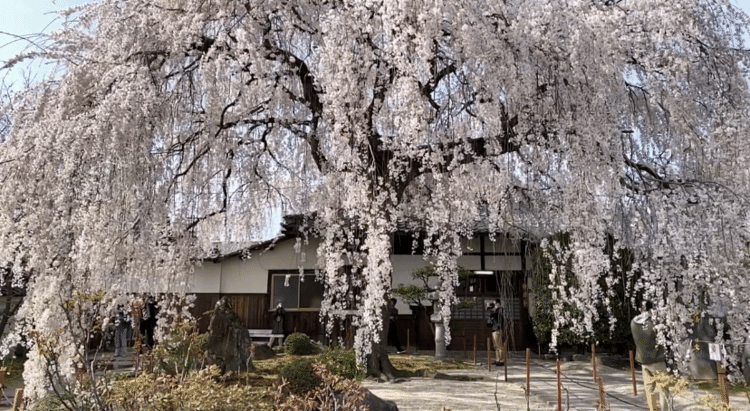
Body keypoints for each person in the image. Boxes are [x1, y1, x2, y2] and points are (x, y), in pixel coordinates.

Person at [488, 298, 505, 366]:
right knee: (495, 346)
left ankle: (501, 360)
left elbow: (493, 313)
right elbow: (490, 314)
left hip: (497, 329)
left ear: (498, 303)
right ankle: (497, 359)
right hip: (494, 329)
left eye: (495, 303)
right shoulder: (495, 310)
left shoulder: (499, 310)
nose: (494, 305)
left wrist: (495, 307)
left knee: (499, 346)